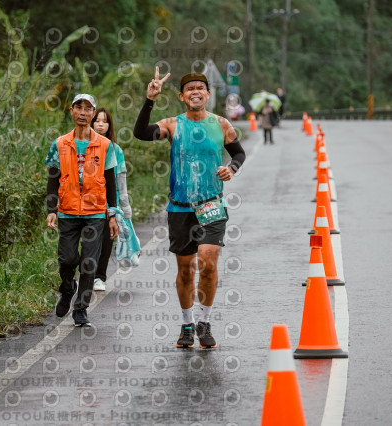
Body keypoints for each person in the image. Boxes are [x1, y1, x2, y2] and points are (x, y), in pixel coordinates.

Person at [133, 68, 246, 349]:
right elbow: (141, 133)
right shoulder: (173, 124)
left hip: (211, 205)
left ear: (208, 94)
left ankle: (204, 323)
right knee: (185, 270)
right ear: (182, 96)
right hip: (180, 207)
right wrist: (149, 100)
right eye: (190, 88)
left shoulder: (221, 124)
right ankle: (186, 325)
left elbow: (239, 153)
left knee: (208, 262)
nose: (196, 91)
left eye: (201, 88)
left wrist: (231, 168)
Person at [45, 94, 119, 326]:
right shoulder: (59, 144)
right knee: (67, 259)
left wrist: (113, 214)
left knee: (89, 262)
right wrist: (51, 209)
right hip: (67, 211)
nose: (83, 112)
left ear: (93, 113)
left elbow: (111, 181)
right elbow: (53, 179)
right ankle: (68, 288)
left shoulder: (106, 146)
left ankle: (81, 308)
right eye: (79, 107)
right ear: (71, 111)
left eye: (88, 108)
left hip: (95, 213)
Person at [90, 108, 133, 291]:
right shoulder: (84, 146)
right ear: (91, 123)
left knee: (107, 240)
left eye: (104, 121)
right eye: (97, 120)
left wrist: (125, 207)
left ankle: (99, 277)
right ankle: (87, 275)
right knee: (89, 241)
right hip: (88, 203)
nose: (100, 124)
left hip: (109, 203)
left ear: (109, 125)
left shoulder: (116, 150)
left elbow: (121, 181)